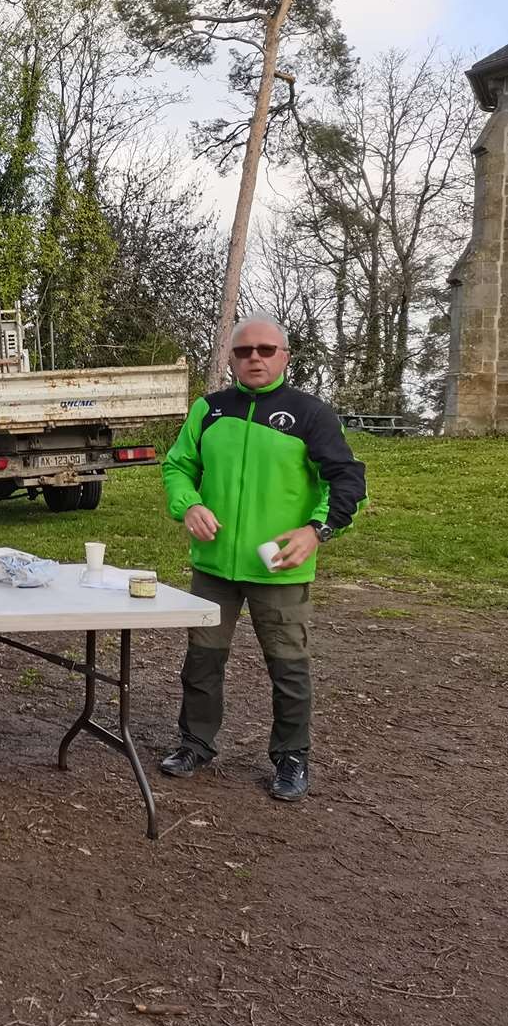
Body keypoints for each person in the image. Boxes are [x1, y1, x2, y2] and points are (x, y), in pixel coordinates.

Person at [159, 315, 367, 802]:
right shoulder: (208, 411)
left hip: (280, 567)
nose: (255, 358)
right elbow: (177, 467)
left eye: (266, 350)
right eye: (245, 351)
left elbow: (347, 480)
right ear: (231, 359)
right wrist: (187, 504)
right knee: (202, 660)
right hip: (214, 566)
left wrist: (317, 531)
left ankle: (292, 757)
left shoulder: (309, 414)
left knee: (288, 666)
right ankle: (195, 743)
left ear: (285, 357)